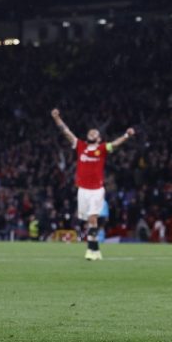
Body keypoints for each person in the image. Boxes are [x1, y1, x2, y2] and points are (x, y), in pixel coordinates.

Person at [51, 108, 134, 260]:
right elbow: (66, 132)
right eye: (91, 131)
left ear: (99, 138)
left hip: (96, 190)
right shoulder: (80, 146)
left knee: (92, 219)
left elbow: (115, 144)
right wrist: (57, 118)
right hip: (82, 190)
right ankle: (96, 250)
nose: (92, 132)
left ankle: (89, 250)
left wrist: (126, 135)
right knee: (87, 222)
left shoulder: (102, 149)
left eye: (95, 132)